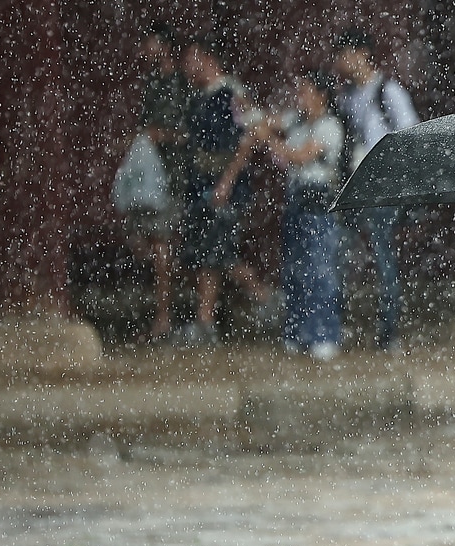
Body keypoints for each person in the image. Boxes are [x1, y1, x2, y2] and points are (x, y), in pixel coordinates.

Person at [177, 34, 274, 345]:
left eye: (192, 59)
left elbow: (251, 137)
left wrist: (226, 181)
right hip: (201, 186)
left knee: (216, 255)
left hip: (222, 187)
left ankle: (253, 303)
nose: (187, 67)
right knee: (204, 254)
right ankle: (255, 302)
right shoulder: (200, 97)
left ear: (208, 59)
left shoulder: (230, 95)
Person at [332, 28, 419, 351]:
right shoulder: (346, 96)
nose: (341, 63)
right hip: (354, 187)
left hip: (381, 188)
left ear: (361, 54)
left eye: (345, 55)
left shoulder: (389, 91)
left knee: (383, 258)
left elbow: (410, 136)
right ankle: (338, 327)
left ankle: (388, 332)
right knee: (342, 255)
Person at [260, 70, 346, 360]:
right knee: (294, 272)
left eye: (306, 92)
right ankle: (297, 331)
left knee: (319, 272)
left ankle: (324, 334)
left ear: (321, 96)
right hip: (295, 203)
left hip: (319, 205)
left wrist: (269, 140)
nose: (301, 98)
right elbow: (268, 120)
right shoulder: (296, 120)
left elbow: (300, 156)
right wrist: (255, 118)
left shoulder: (330, 126)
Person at [127, 21, 192, 343]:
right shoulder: (153, 84)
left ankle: (164, 318)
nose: (145, 50)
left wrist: (160, 135)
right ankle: (161, 314)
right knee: (146, 244)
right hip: (151, 178)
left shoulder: (181, 85)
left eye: (150, 44)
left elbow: (187, 133)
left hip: (173, 177)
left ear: (163, 47)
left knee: (161, 244)